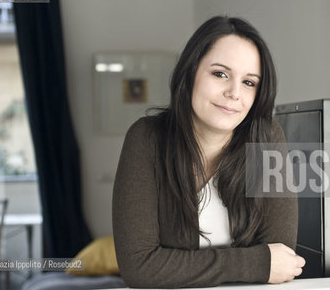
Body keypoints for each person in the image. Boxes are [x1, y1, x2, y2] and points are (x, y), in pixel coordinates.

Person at [112, 16, 305, 288]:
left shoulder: (267, 138)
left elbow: (281, 258)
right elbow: (139, 266)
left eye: (249, 82)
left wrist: (178, 265)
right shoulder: (147, 138)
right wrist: (256, 263)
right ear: (190, 73)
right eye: (220, 74)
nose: (234, 93)